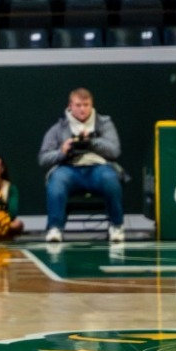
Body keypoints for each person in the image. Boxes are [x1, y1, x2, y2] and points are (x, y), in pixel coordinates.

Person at [37, 87, 124, 244]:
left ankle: (116, 226)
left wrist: (91, 142)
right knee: (56, 182)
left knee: (110, 179)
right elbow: (43, 158)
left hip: (98, 167)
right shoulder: (58, 128)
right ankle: (55, 228)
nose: (82, 109)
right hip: (69, 168)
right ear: (70, 105)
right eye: (78, 105)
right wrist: (62, 151)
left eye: (86, 104)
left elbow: (114, 151)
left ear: (92, 105)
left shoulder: (105, 123)